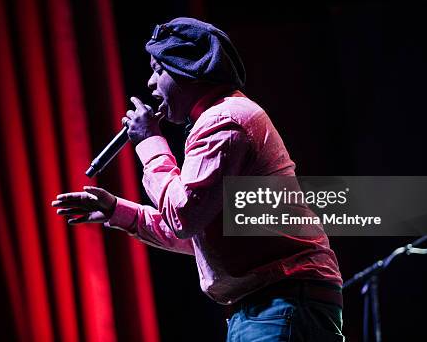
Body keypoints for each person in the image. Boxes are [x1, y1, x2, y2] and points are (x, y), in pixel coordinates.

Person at [52, 17, 345, 341]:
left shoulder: (223, 121)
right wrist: (115, 210)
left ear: (189, 69)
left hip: (280, 303)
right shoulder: (225, 116)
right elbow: (200, 236)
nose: (151, 83)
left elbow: (184, 216)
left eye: (159, 69)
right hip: (273, 303)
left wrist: (150, 141)